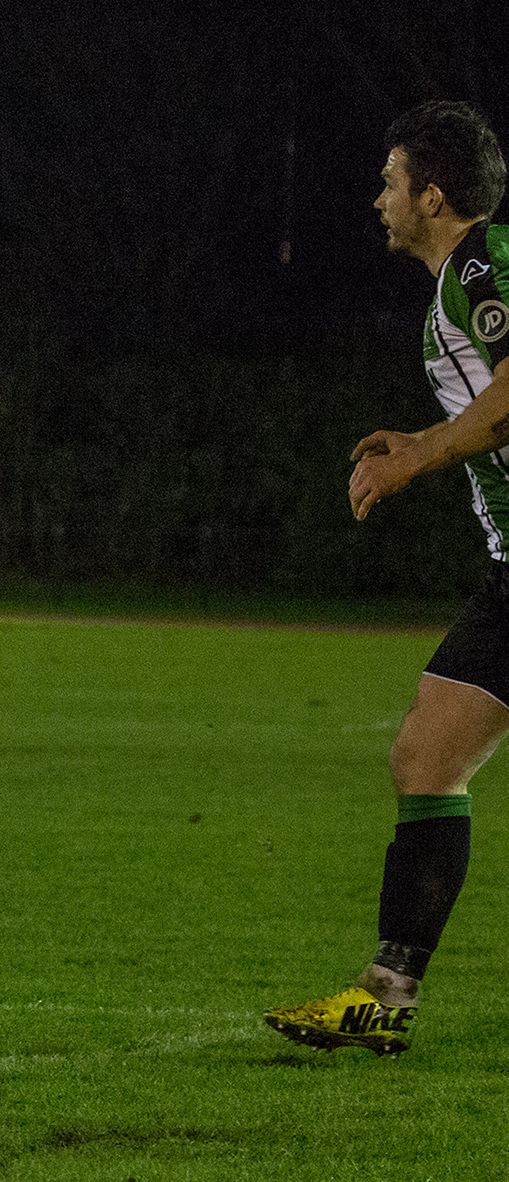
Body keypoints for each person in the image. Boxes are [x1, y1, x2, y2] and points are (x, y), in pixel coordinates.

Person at [265, 100, 509, 1054]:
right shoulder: (465, 279)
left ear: (432, 195)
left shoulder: (482, 269)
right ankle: (383, 998)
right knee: (426, 756)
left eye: (391, 178)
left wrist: (420, 455)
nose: (378, 197)